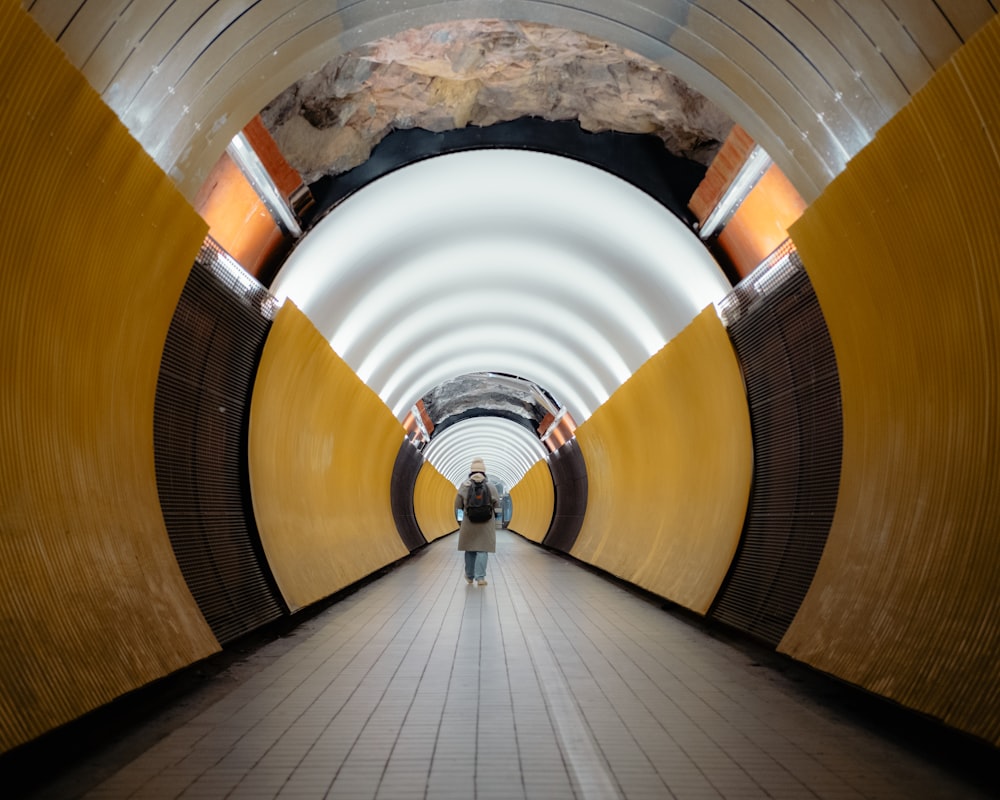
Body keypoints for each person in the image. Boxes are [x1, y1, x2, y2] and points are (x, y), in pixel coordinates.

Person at [455, 457, 499, 586]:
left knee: (469, 549)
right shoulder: (491, 487)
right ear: (484, 472)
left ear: (471, 472)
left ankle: (469, 576)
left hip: (468, 523)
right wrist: (496, 521)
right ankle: (480, 578)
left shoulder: (464, 486)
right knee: (482, 550)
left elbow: (457, 506)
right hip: (486, 523)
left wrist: (460, 522)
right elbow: (497, 505)